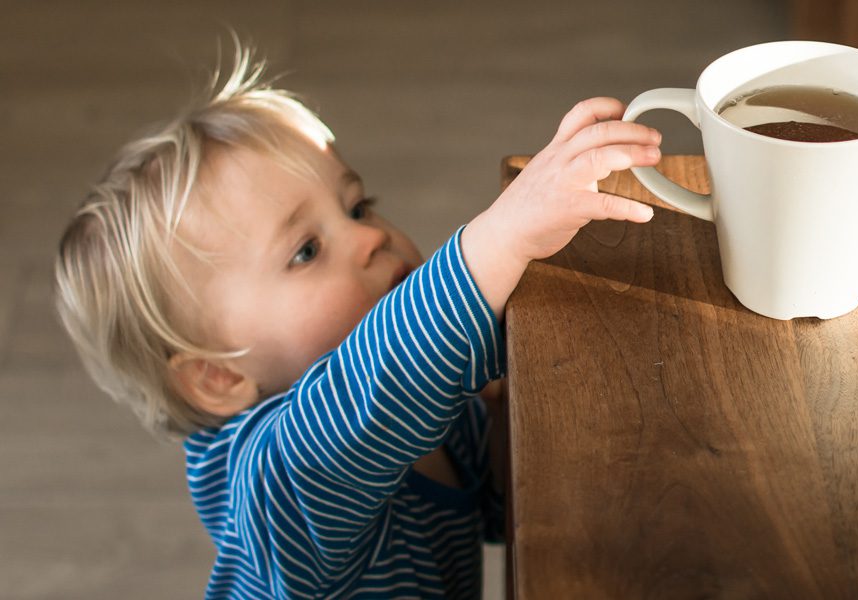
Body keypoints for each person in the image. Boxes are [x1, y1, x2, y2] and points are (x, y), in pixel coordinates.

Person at [54, 39, 661, 599]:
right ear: (218, 377)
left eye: (356, 206)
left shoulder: (428, 404)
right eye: (306, 251)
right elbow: (359, 404)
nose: (369, 237)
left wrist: (507, 401)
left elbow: (507, 505)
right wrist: (496, 242)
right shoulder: (272, 489)